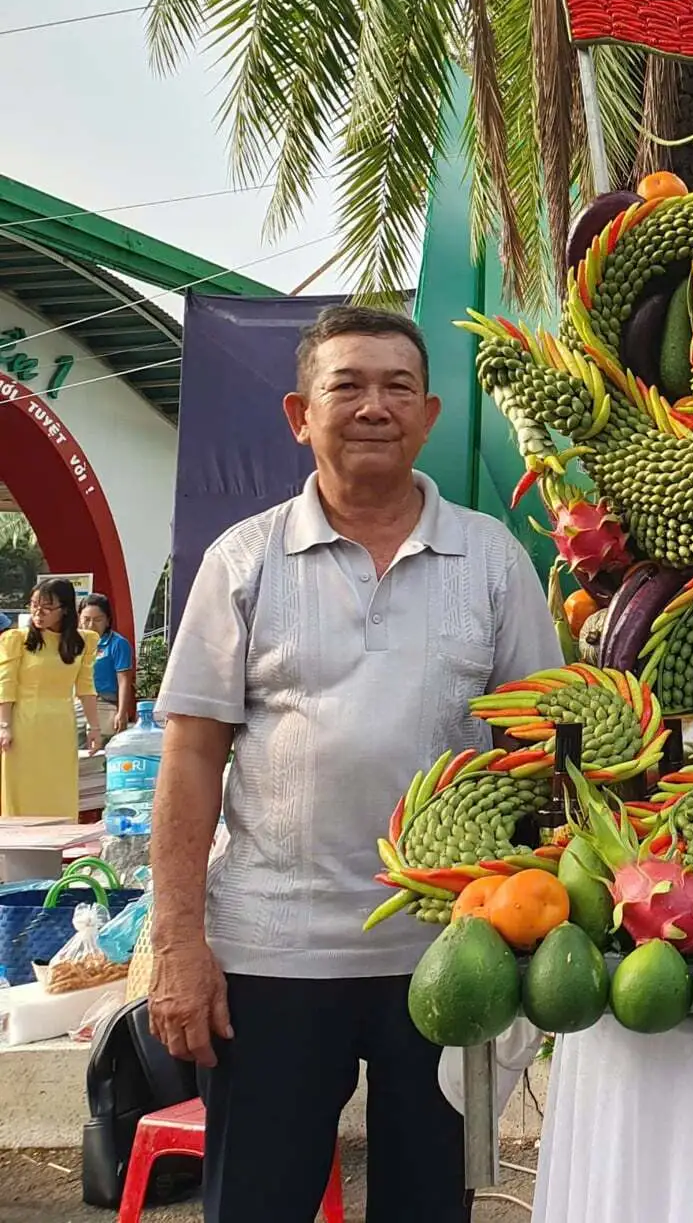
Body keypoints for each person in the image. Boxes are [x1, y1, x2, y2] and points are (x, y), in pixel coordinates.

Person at [149, 306, 561, 1222]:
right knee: (258, 1202)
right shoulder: (244, 560)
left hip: (451, 951)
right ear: (301, 414)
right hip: (271, 953)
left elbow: (541, 749)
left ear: (430, 415)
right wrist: (178, 943)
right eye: (347, 385)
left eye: (396, 387)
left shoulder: (493, 559)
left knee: (427, 1203)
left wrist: (540, 921)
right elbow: (189, 758)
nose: (373, 406)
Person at [0, 579, 104, 817]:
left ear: (65, 609)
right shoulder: (16, 639)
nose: (38, 612)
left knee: (58, 787)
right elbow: (6, 684)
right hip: (23, 724)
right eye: (34, 605)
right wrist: (4, 725)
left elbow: (86, 687)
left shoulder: (84, 641)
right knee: (22, 788)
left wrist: (94, 727)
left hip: (60, 726)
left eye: (47, 607)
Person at [79, 593, 136, 736]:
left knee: (97, 753)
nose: (91, 625)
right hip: (76, 703)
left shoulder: (117, 643)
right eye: (86, 619)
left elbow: (124, 681)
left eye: (97, 620)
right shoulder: (74, 643)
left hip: (103, 703)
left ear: (108, 621)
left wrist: (122, 713)